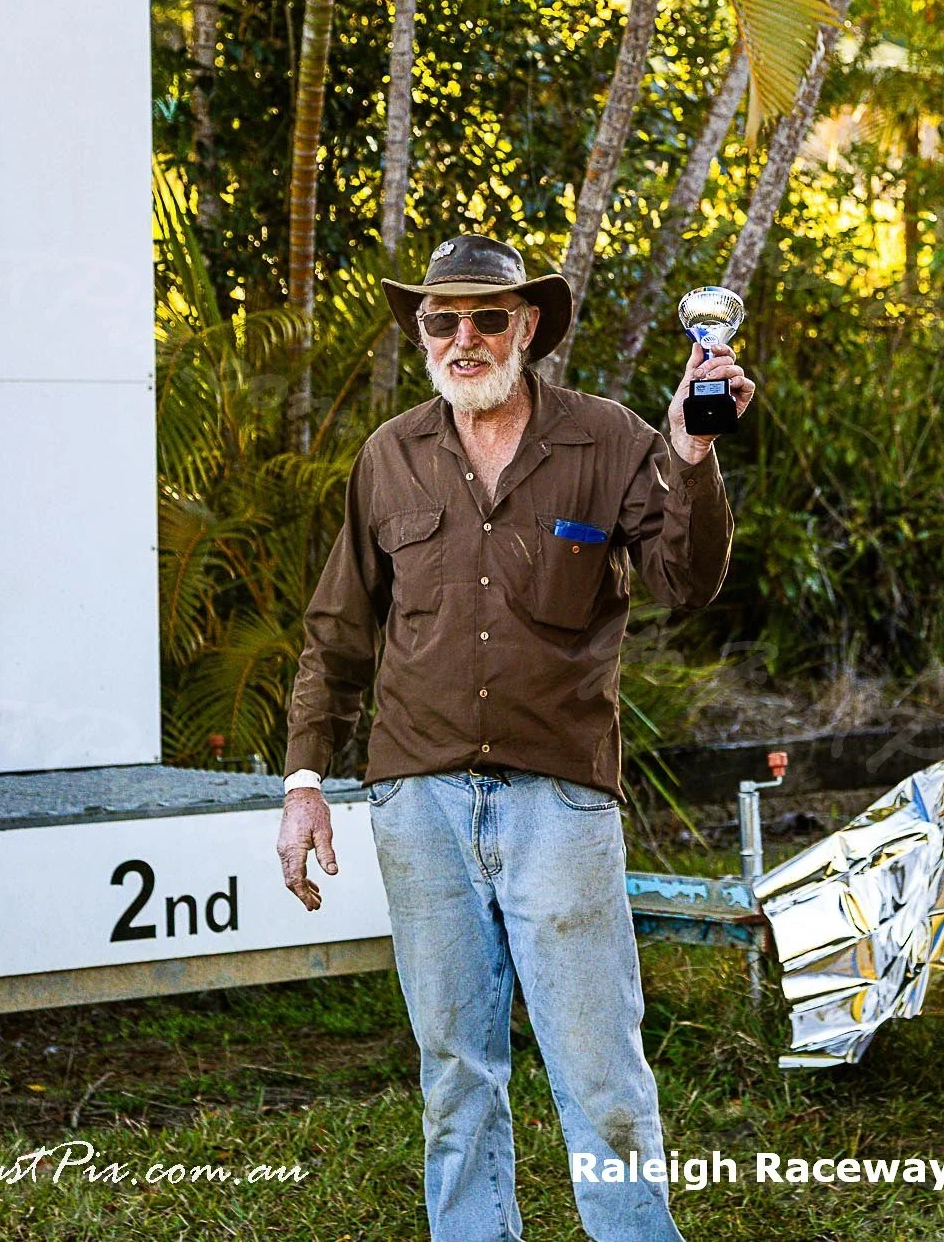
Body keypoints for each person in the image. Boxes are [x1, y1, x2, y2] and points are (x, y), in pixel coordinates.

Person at [274, 233, 752, 1241]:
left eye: (486, 317)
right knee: (453, 1067)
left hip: (558, 797)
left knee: (598, 1066)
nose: (463, 337)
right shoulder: (389, 456)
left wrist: (693, 455)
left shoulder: (613, 440)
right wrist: (304, 782)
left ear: (526, 327)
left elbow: (685, 581)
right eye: (439, 319)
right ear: (420, 333)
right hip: (418, 800)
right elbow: (337, 631)